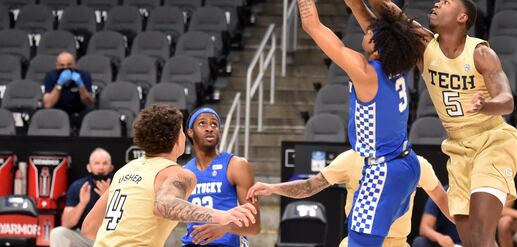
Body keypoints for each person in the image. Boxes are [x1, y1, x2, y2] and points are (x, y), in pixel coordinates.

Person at [323, 0, 517, 247]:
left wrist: (488, 105)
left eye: (447, 1)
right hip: (458, 147)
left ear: (462, 17)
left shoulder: (480, 52)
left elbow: (507, 101)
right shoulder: (425, 46)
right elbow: (380, 4)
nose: (437, 3)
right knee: (471, 241)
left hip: (492, 141)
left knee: (482, 235)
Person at [281, 0, 423, 247]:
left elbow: (311, 24)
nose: (366, 26)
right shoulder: (396, 59)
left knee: (357, 241)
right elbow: (356, 4)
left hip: (383, 170)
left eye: (373, 30)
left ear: (378, 44)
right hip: (405, 164)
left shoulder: (365, 71)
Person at [81, 104, 257, 247]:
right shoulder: (178, 173)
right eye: (181, 131)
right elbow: (164, 205)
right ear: (177, 139)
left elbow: (89, 228)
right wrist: (221, 216)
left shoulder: (125, 170)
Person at [247, 150, 451, 247]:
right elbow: (310, 186)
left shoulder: (416, 163)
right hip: (357, 241)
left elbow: (444, 202)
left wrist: (475, 232)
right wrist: (273, 187)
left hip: (397, 242)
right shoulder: (351, 159)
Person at [181, 106, 261, 246]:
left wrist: (226, 228)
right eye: (202, 123)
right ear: (190, 132)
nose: (209, 128)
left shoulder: (236, 165)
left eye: (214, 124)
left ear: (220, 132)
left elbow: (255, 226)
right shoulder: (184, 172)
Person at [49, 148, 114, 247]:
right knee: (58, 233)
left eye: (105, 163)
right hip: (86, 238)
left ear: (111, 168)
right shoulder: (79, 187)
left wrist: (107, 198)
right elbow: (66, 223)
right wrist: (82, 204)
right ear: (89, 167)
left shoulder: (119, 184)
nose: (101, 167)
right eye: (97, 163)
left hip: (111, 239)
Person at [43, 51, 94, 127]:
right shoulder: (50, 76)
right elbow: (48, 104)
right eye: (62, 65)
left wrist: (80, 85)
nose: (65, 68)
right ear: (57, 66)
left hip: (79, 112)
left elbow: (89, 103)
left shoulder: (84, 75)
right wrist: (59, 84)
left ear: (74, 65)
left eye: (69, 64)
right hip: (57, 113)